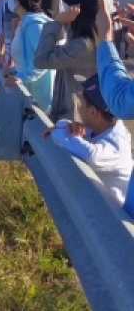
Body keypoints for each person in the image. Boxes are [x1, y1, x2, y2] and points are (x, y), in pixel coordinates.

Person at [44, 75, 132, 215]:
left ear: (92, 112)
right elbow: (67, 127)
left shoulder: (116, 144)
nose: (79, 107)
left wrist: (59, 132)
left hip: (117, 220)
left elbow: (89, 154)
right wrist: (67, 125)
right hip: (103, 207)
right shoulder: (103, 127)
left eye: (81, 103)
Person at [35, 0, 101, 123]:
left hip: (75, 121)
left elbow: (41, 60)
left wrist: (57, 23)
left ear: (77, 9)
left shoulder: (83, 45)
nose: (63, 9)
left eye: (67, 5)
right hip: (77, 119)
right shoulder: (91, 37)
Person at [3, 0, 54, 111]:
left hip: (40, 97)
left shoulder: (34, 25)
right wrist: (15, 71)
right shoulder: (25, 22)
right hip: (29, 93)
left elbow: (44, 60)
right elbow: (27, 57)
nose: (9, 0)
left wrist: (21, 77)